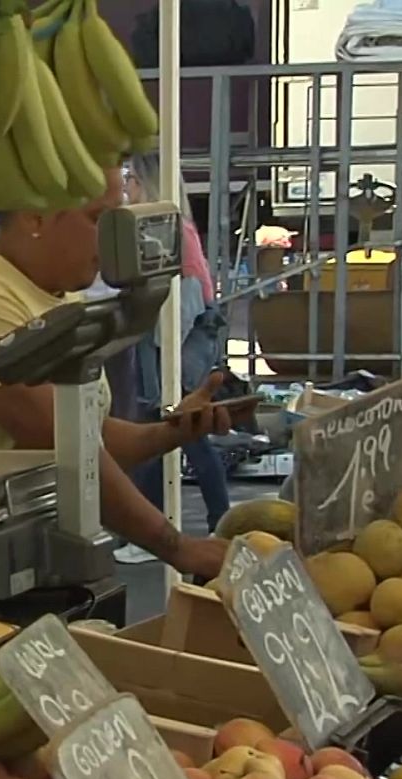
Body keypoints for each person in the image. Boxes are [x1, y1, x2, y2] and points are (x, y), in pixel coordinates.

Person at [0, 162, 233, 579]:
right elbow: (65, 448)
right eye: (98, 218)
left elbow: (86, 438)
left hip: (40, 552)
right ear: (35, 218)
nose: (112, 237)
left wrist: (174, 430)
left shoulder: (60, 299)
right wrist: (178, 547)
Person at [105, 152, 233, 561]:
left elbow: (189, 298)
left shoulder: (170, 232)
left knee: (173, 427)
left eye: (132, 181)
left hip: (174, 345)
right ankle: (214, 520)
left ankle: (172, 525)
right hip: (171, 344)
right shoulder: (174, 229)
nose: (126, 189)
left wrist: (161, 344)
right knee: (173, 431)